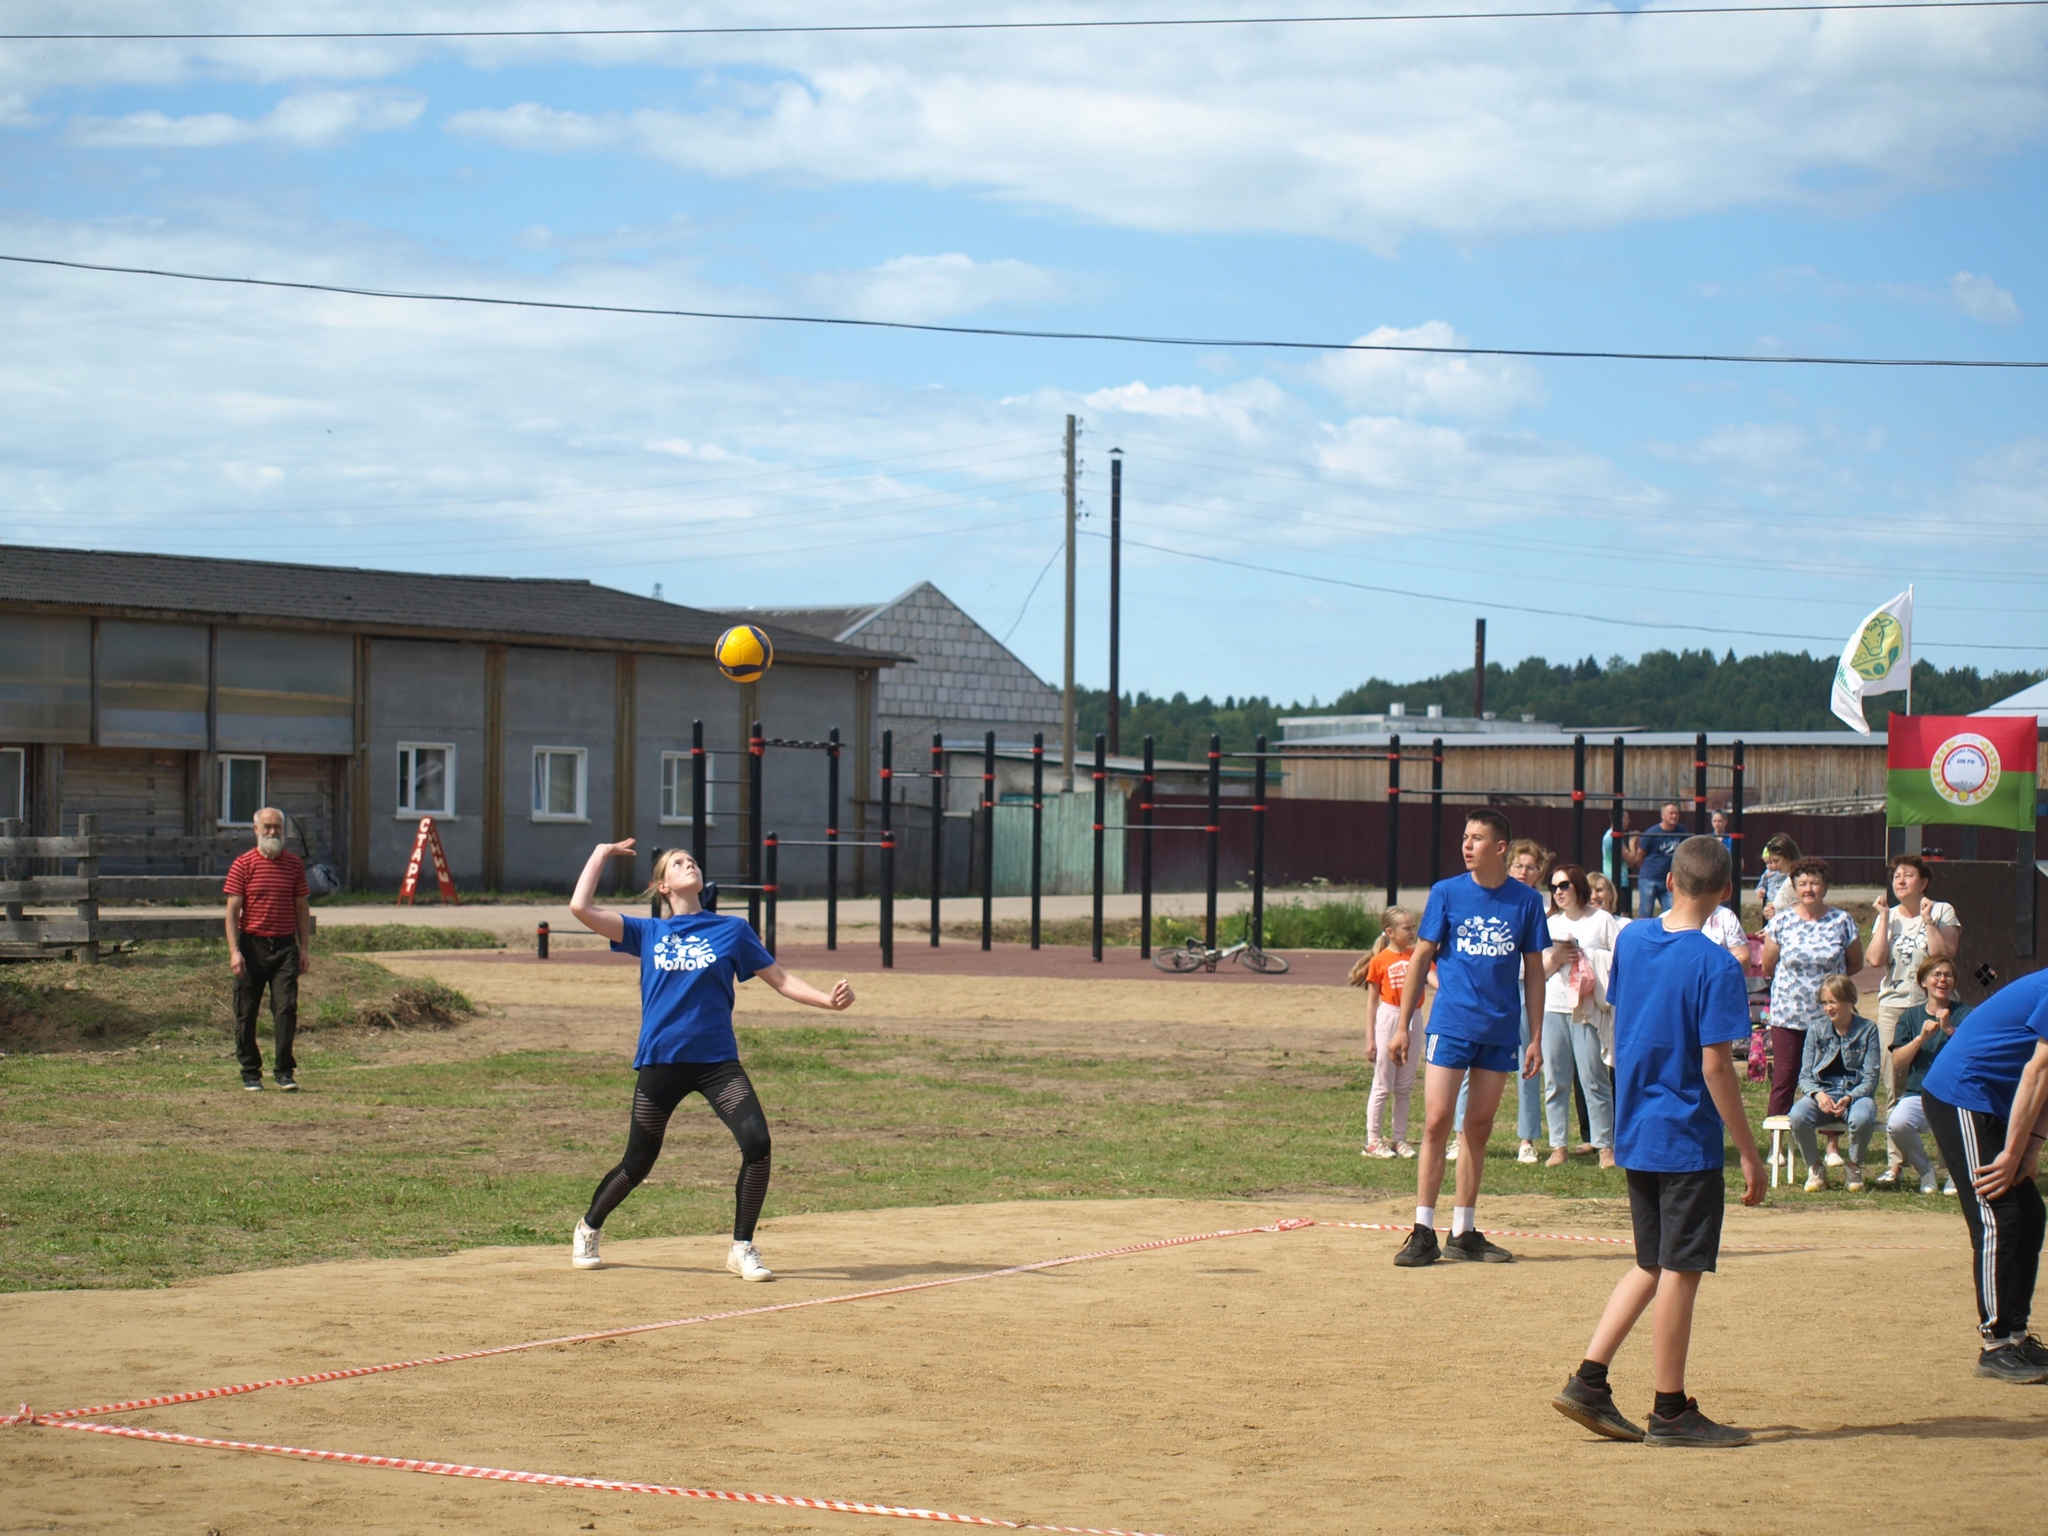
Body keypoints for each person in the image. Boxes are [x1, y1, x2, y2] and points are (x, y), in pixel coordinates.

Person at [1550, 835, 1765, 1447]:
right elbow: (1716, 1066)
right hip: (1685, 1135)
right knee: (1679, 1269)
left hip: (1636, 1125)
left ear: (1668, 881)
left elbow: (1629, 1012)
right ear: (1726, 895)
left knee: (1650, 1262)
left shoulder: (1635, 940)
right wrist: (1748, 1152)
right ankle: (1670, 1409)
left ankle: (1589, 1379)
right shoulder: (1717, 964)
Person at [565, 840, 854, 1281]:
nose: (689, 864)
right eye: (678, 863)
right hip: (662, 1060)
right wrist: (601, 853)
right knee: (637, 1162)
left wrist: (827, 1002)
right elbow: (580, 908)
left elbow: (780, 979)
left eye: (692, 861)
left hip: (716, 1061)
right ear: (662, 885)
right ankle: (588, 1227)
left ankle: (742, 1248)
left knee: (757, 1143)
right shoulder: (647, 933)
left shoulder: (732, 929)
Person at [1386, 810, 1549, 1267]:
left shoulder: (1526, 902)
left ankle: (1464, 1230)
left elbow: (1534, 971)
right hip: (1452, 1023)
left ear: (1500, 848)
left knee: (1477, 1128)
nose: (1467, 844)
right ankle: (1422, 1230)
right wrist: (1403, 1023)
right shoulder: (1447, 893)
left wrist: (1534, 1036)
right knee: (1437, 1121)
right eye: (1465, 837)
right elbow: (1420, 960)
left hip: (1499, 1029)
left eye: (1477, 838)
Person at [1919, 968, 2048, 1384]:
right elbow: (2037, 1072)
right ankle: (1995, 1345)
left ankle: (2016, 1333)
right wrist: (2012, 1151)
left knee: (2030, 1213)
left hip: (1993, 1101)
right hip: (1962, 1093)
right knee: (1998, 1214)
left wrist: (2030, 1148)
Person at [1870, 854, 1962, 1183]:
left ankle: (1947, 1164)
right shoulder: (1889, 915)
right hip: (1894, 1005)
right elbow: (1875, 959)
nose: (1901, 881)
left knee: (1942, 1077)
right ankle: (1896, 1163)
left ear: (1923, 883)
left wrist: (1928, 922)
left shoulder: (1941, 911)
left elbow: (1945, 956)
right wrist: (1882, 919)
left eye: (1908, 876)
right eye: (1897, 876)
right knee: (1894, 1080)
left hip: (1932, 1004)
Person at [1760, 857, 1864, 1120]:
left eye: (1815, 883)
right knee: (1784, 1078)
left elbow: (1855, 963)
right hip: (1789, 1016)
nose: (1809, 889)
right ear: (1794, 888)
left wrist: (1828, 987)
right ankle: (1778, 1145)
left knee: (1833, 1079)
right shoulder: (1782, 922)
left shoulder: (1842, 921)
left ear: (1825, 887)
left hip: (1830, 1016)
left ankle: (1831, 1142)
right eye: (1802, 883)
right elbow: (1768, 965)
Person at [224, 805, 313, 1092]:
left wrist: (305, 948)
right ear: (256, 830)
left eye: (277, 827)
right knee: (246, 1011)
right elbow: (232, 910)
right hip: (252, 945)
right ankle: (250, 1071)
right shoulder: (243, 864)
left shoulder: (294, 865)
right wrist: (234, 951)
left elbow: (301, 907)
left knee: (286, 1008)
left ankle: (284, 1071)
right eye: (267, 827)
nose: (272, 832)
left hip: (285, 945)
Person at [1542, 863, 1620, 1168]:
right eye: (1553, 887)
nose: (1558, 892)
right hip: (1554, 1007)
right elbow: (1539, 972)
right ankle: (1558, 1145)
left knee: (1594, 1076)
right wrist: (1558, 957)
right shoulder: (1550, 925)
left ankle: (1605, 1146)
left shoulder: (1601, 920)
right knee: (1555, 1079)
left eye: (1564, 886)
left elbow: (1620, 957)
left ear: (1578, 888)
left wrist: (1590, 957)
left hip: (1587, 1009)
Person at [1881, 955, 1970, 1196]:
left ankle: (1956, 1175)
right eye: (1936, 975)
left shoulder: (1965, 1014)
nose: (1943, 980)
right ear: (1923, 982)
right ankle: (1925, 1172)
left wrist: (1949, 1029)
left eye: (1948, 975)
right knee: (1897, 1124)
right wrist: (1920, 1039)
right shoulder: (1910, 1017)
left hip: (1956, 1095)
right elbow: (1898, 1062)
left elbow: (1974, 1053)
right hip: (1919, 1093)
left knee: (1963, 1126)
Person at [1790, 975, 1882, 1192]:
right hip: (1823, 1092)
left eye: (1833, 1001)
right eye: (1824, 1003)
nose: (1828, 1008)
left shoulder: (1868, 1030)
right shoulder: (1816, 1029)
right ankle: (1815, 1167)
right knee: (1798, 1115)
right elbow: (1805, 1076)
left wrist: (1850, 1097)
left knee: (1863, 1116)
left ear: (1850, 1000)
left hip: (1855, 1095)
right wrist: (1818, 1095)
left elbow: (1871, 1078)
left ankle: (1853, 1167)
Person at [1355, 905, 1428, 1159]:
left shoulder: (1416, 956)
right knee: (1383, 1084)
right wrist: (1370, 1039)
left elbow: (1433, 979)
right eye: (1406, 928)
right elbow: (1372, 1002)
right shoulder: (1380, 961)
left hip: (1414, 1018)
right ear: (1389, 932)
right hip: (1390, 1017)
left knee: (1405, 1085)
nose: (1412, 932)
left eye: (1413, 927)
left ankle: (1400, 1139)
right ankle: (1373, 1140)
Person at [1629, 802, 1690, 919]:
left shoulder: (1682, 831)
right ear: (1663, 816)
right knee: (1645, 914)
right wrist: (1648, 871)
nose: (1674, 816)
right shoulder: (1652, 833)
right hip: (1650, 879)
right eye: (1671, 813)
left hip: (1670, 880)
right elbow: (1640, 856)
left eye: (1676, 813)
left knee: (1673, 913)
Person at [1755, 834, 1800, 921]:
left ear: (1789, 856)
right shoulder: (1772, 874)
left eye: (1776, 861)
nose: (1774, 866)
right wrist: (1768, 911)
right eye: (1771, 862)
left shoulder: (1800, 877)